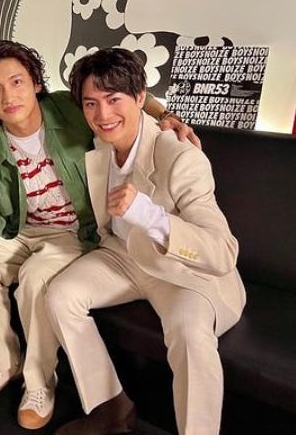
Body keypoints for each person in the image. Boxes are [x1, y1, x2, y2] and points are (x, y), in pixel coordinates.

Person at [0, 40, 199, 430]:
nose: (8, 96)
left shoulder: (68, 108)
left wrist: (165, 115)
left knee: (36, 276)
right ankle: (2, 363)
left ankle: (40, 382)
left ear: (36, 83)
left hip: (73, 229)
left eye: (17, 82)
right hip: (22, 230)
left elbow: (121, 93)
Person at [46, 48, 245, 435]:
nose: (102, 114)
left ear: (139, 98)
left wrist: (148, 214)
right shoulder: (99, 141)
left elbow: (223, 252)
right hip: (122, 256)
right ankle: (111, 408)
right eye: (91, 103)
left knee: (190, 332)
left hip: (181, 271)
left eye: (114, 100)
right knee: (60, 294)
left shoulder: (181, 156)